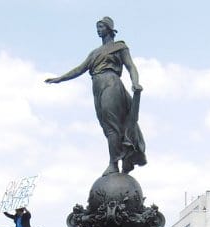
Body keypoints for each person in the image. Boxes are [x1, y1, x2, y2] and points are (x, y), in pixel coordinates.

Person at [45, 16, 146, 176]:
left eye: (100, 27)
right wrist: (60, 79)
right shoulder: (94, 53)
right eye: (97, 27)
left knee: (112, 125)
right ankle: (118, 159)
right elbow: (80, 69)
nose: (98, 30)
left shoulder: (119, 47)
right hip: (97, 87)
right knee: (107, 126)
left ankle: (114, 164)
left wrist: (135, 82)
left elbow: (130, 66)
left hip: (111, 83)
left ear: (109, 28)